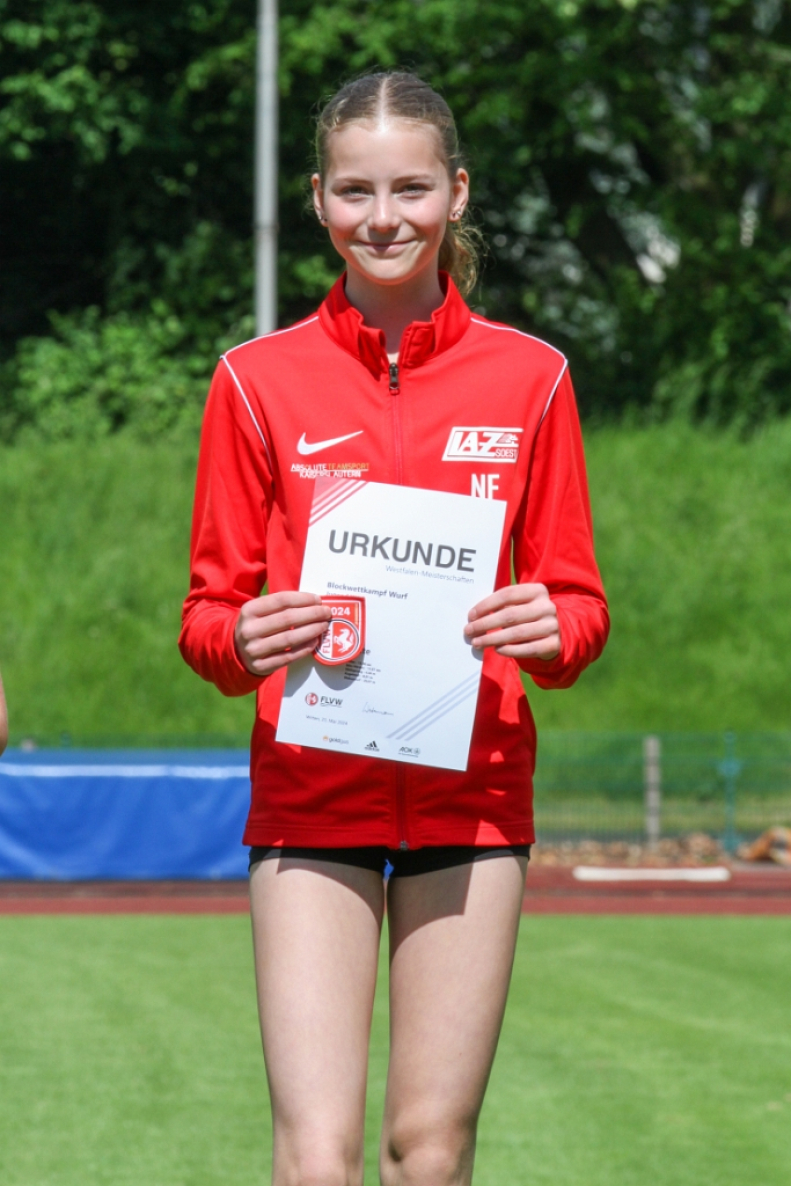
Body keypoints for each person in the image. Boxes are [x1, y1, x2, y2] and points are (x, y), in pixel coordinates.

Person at [180, 71, 608, 1186]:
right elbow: (206, 619)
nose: (384, 217)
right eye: (356, 190)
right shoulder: (252, 381)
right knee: (314, 1158)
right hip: (310, 789)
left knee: (428, 1152)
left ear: (455, 193)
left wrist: (546, 626)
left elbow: (578, 605)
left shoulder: (534, 378)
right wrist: (248, 639)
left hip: (470, 796)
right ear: (319, 199)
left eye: (411, 187)